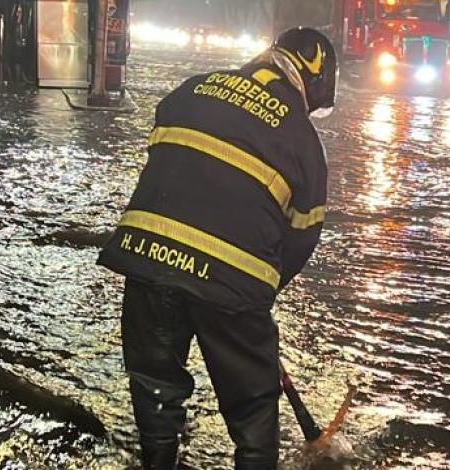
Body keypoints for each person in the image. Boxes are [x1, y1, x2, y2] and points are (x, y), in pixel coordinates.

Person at [97, 27, 338, 470]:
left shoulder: (192, 88)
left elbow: (168, 162)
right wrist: (250, 296)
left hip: (146, 258)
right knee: (252, 408)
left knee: (155, 387)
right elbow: (301, 239)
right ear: (314, 82)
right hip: (231, 282)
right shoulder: (303, 140)